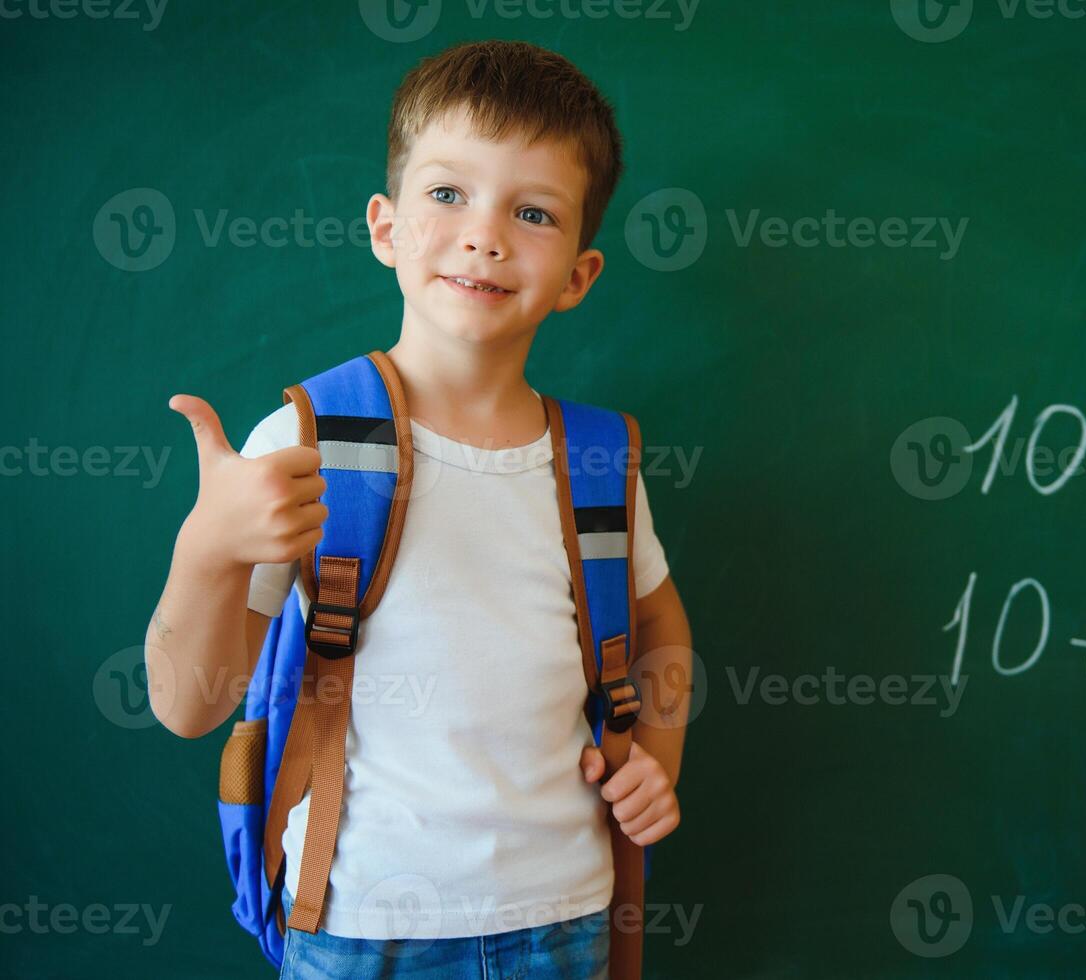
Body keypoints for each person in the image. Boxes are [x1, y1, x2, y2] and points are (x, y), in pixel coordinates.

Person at [145, 39, 692, 979]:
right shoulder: (305, 440)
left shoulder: (599, 459)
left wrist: (659, 758)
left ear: (578, 276)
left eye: (532, 211)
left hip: (568, 919)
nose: (485, 234)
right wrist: (209, 548)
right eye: (448, 194)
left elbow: (656, 622)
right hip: (362, 924)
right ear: (385, 226)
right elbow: (187, 708)